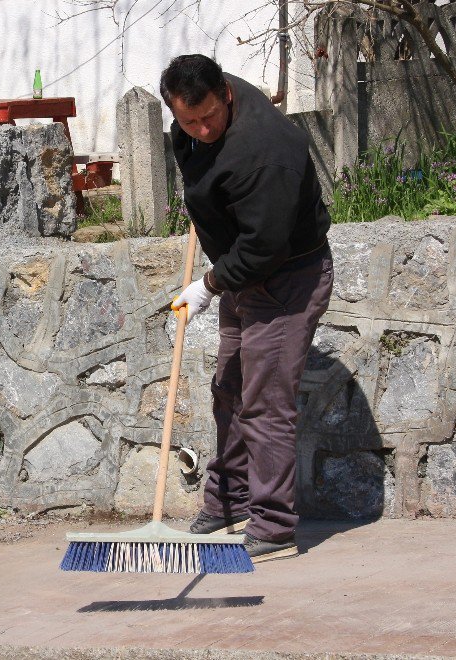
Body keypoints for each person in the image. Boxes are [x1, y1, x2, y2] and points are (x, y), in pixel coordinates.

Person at [161, 55, 333, 563]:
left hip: (285, 280)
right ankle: (231, 501)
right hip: (243, 275)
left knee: (264, 403)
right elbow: (208, 177)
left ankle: (275, 527)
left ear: (227, 96)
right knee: (229, 391)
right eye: (189, 121)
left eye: (208, 116)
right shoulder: (194, 115)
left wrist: (210, 284)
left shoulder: (268, 150)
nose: (201, 128)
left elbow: (265, 247)